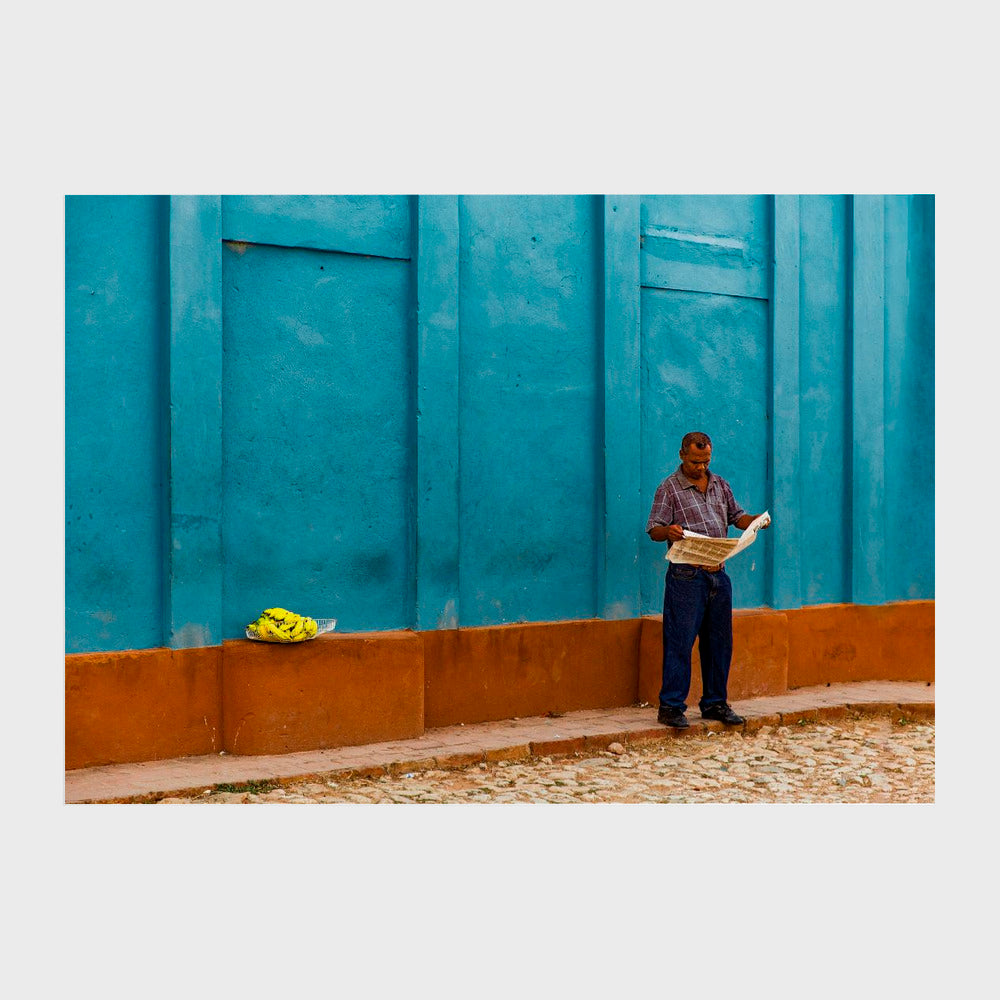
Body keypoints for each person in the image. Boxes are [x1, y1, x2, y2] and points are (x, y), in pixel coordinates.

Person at [646, 431, 770, 729]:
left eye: (705, 461)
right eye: (694, 462)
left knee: (719, 643)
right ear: (681, 455)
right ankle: (672, 707)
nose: (700, 467)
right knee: (680, 642)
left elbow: (736, 517)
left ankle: (715, 703)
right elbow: (653, 529)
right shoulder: (669, 489)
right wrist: (670, 531)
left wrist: (755, 522)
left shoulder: (719, 485)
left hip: (718, 575)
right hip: (686, 576)